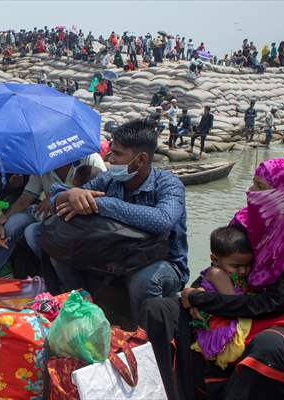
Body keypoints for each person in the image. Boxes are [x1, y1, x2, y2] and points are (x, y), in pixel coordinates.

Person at [181, 157, 284, 400]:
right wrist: (195, 292)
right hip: (239, 299)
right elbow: (219, 263)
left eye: (260, 187)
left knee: (269, 345)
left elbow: (273, 304)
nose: (250, 191)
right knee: (165, 310)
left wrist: (202, 300)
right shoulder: (250, 219)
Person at [50, 119, 188, 322]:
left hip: (163, 262)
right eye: (111, 151)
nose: (110, 159)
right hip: (117, 255)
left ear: (141, 159)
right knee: (57, 247)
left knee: (144, 281)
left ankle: (145, 340)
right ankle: (84, 313)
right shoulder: (109, 180)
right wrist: (73, 193)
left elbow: (163, 219)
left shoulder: (169, 185)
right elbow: (56, 196)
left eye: (117, 154)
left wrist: (105, 204)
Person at [0, 152, 106, 319]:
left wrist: (59, 197)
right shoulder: (42, 162)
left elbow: (103, 196)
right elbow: (25, 200)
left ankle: (58, 293)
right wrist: (1, 223)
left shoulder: (90, 159)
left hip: (76, 223)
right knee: (11, 226)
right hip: (45, 216)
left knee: (34, 234)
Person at [189, 225, 254, 369]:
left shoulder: (231, 272)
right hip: (222, 319)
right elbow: (232, 302)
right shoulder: (217, 273)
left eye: (248, 265)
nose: (243, 270)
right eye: (236, 266)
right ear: (214, 259)